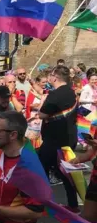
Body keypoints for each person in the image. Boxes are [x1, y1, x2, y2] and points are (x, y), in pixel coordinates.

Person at [38, 66, 79, 213]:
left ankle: (40, 203)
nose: (48, 77)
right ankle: (73, 205)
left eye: (50, 75)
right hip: (69, 138)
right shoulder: (71, 92)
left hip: (54, 140)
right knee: (64, 172)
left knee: (41, 170)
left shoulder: (54, 95)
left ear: (54, 77)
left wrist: (43, 101)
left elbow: (42, 114)